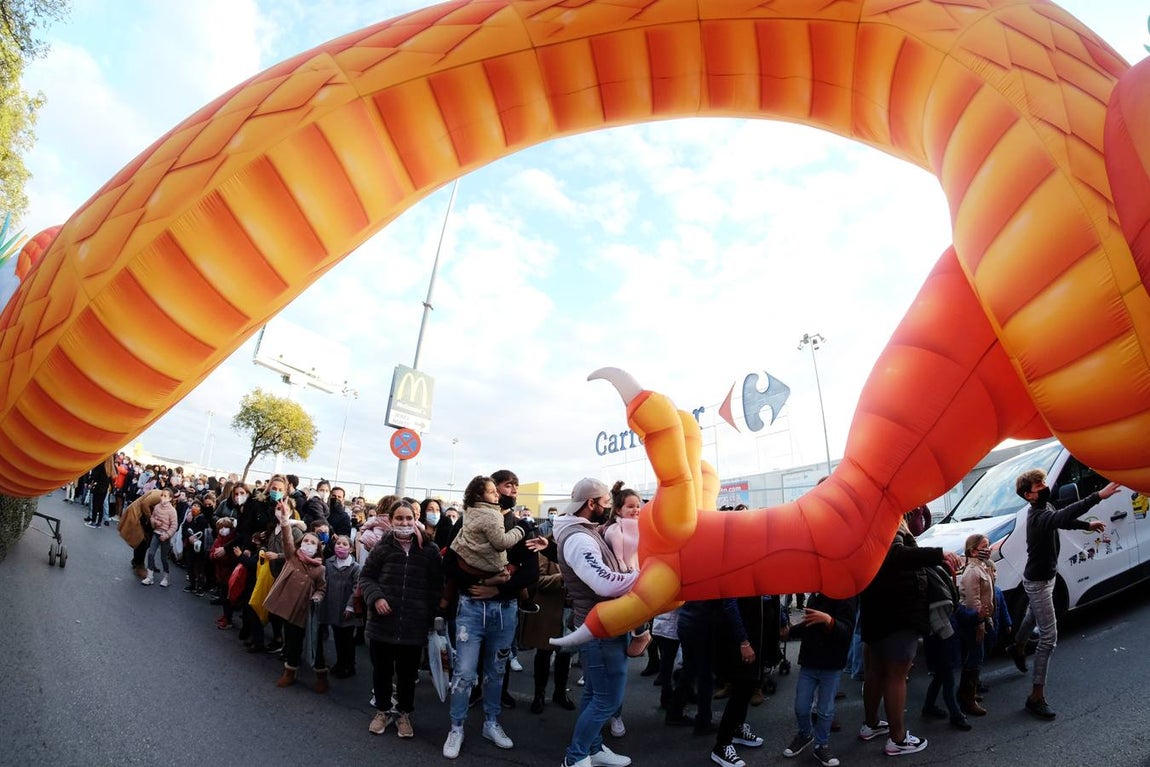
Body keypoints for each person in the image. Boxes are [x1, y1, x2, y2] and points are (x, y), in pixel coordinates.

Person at [1008, 469, 1118, 719]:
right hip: (1037, 582)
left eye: (1044, 482)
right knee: (1049, 638)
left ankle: (1016, 647)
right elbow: (1061, 516)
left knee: (1031, 617)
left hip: (1044, 576)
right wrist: (1098, 496)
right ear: (1028, 495)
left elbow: (1061, 518)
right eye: (1040, 486)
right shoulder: (1036, 516)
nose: (1046, 486)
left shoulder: (1043, 506)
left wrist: (1087, 524)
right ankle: (1036, 697)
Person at [553, 477, 639, 767]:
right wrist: (642, 579)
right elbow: (602, 582)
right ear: (591, 504)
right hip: (599, 629)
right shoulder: (578, 538)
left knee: (594, 695)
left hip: (606, 626)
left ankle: (593, 748)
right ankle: (575, 757)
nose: (609, 508)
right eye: (605, 503)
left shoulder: (586, 531)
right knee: (607, 700)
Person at [859, 518, 961, 757]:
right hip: (898, 608)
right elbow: (894, 554)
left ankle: (871, 725)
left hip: (876, 604)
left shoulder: (865, 514)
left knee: (875, 670)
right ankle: (898, 739)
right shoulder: (886, 513)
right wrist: (938, 554)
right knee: (896, 675)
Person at [360, 500, 443, 738]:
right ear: (391, 520)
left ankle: (404, 714)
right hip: (381, 624)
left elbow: (437, 587)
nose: (405, 523)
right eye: (399, 518)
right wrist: (376, 598)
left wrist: (429, 616)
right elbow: (366, 578)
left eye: (409, 518)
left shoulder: (430, 550)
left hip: (413, 626)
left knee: (407, 675)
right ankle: (383, 711)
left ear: (416, 519)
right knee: (382, 671)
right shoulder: (382, 548)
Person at [781, 593, 858, 767]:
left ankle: (821, 744)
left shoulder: (846, 595)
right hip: (809, 661)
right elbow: (810, 623)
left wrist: (829, 621)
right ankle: (805, 734)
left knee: (825, 710)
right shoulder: (815, 596)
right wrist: (790, 631)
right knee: (801, 706)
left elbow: (847, 631)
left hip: (831, 664)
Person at [263, 498, 327, 691]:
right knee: (292, 641)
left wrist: (316, 597)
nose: (308, 544)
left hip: (306, 611)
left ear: (318, 548)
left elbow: (321, 588)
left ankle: (321, 675)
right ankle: (290, 671)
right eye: (306, 541)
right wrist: (284, 521)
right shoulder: (292, 556)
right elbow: (287, 539)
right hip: (288, 608)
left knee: (315, 644)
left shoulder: (320, 569)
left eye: (312, 543)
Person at [449, 475, 527, 592]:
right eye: (508, 486)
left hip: (470, 569)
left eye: (516, 486)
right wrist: (521, 529)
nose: (514, 490)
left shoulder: (468, 513)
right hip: (476, 587)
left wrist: (498, 590)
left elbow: (530, 572)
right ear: (479, 495)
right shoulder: (493, 515)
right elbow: (501, 543)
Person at [957, 534, 995, 716]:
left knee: (974, 657)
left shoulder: (981, 567)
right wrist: (980, 624)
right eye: (984, 546)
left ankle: (966, 693)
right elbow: (973, 602)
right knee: (975, 658)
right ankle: (967, 699)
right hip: (974, 622)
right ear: (973, 550)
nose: (988, 549)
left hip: (981, 618)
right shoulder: (972, 571)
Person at [318, 533, 361, 680]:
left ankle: (349, 665)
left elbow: (357, 589)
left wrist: (350, 607)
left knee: (347, 639)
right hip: (332, 606)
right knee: (337, 636)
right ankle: (340, 663)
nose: (340, 546)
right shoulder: (329, 563)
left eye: (344, 544)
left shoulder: (355, 567)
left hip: (347, 609)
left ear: (350, 549)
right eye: (338, 544)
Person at [141, 488, 178, 587]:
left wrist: (166, 535)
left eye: (165, 496)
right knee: (151, 554)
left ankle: (166, 578)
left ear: (170, 498)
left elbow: (174, 526)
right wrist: (154, 522)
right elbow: (152, 516)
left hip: (165, 536)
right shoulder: (157, 506)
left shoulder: (172, 511)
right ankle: (150, 577)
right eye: (162, 495)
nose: (162, 497)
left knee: (163, 558)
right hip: (156, 533)